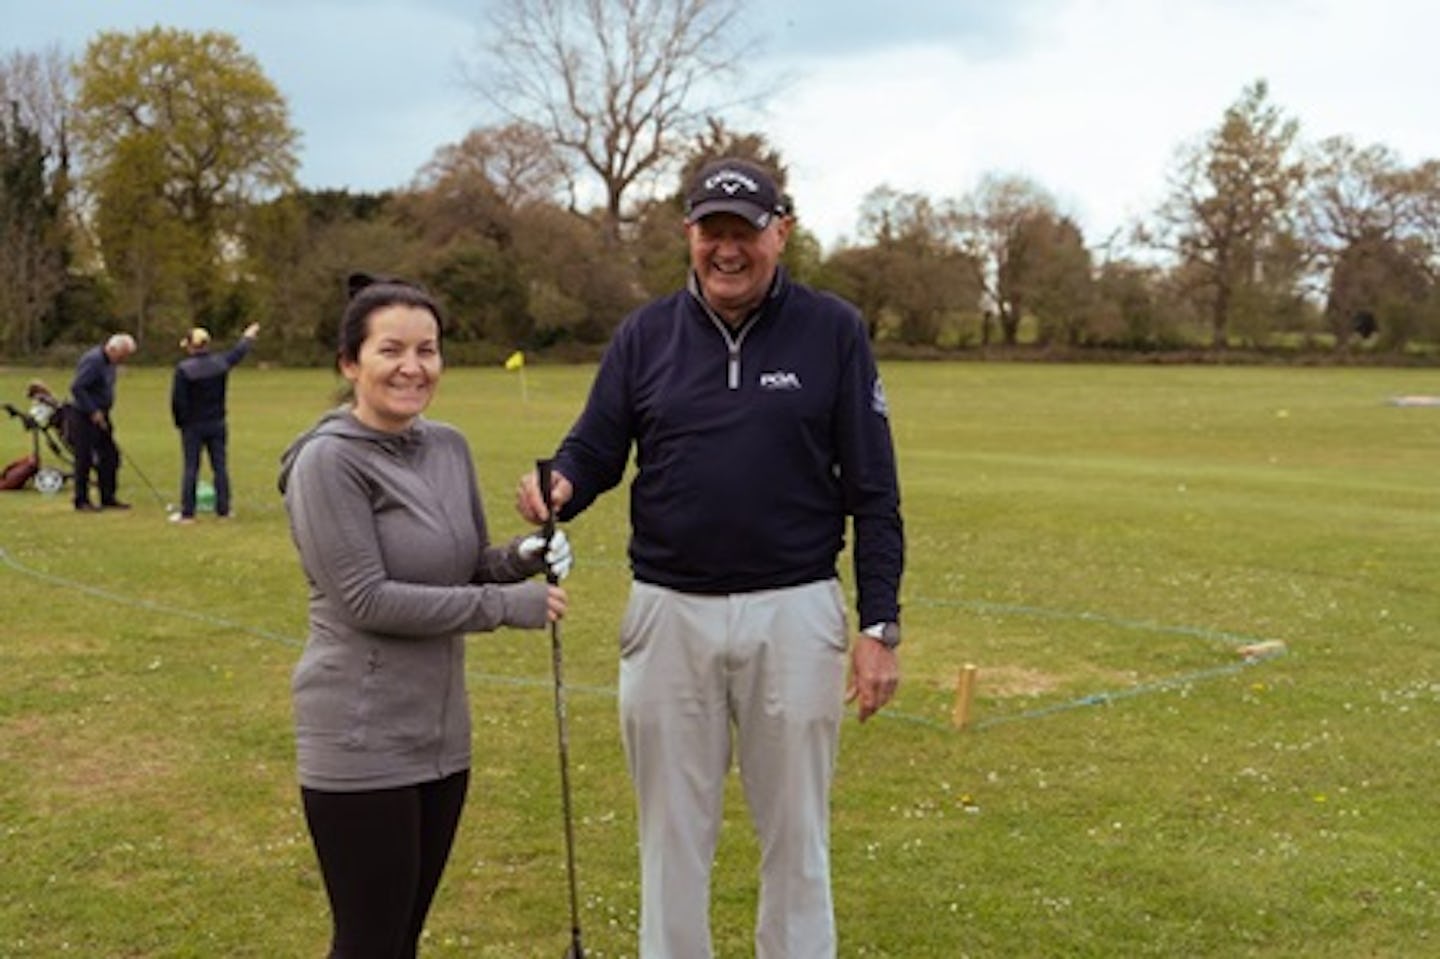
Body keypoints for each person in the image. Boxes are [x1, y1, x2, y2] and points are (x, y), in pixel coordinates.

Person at [516, 157, 906, 959]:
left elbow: (874, 489)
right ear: (689, 236)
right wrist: (558, 482)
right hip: (667, 612)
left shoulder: (833, 330)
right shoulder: (645, 334)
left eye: (745, 231)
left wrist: (880, 626)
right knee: (671, 839)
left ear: (781, 233)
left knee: (797, 839)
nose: (727, 249)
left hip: (795, 610)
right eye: (711, 231)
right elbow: (596, 448)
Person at [278, 273, 573, 959]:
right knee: (369, 942)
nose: (413, 366)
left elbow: (468, 561)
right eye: (391, 350)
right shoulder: (327, 462)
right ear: (350, 362)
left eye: (428, 349)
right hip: (359, 735)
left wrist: (525, 554)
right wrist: (508, 606)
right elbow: (368, 599)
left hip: (442, 736)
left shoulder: (449, 446)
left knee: (401, 937)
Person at [170, 322, 260, 523]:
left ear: (192, 346)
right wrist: (247, 336)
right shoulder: (220, 363)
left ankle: (188, 513)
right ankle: (224, 510)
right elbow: (238, 353)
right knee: (220, 467)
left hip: (193, 425)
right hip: (217, 422)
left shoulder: (184, 370)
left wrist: (180, 422)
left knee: (191, 467)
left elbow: (178, 401)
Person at [68, 332, 137, 511]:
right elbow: (77, 387)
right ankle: (81, 500)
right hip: (84, 416)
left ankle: (108, 497)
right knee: (84, 458)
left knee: (110, 456)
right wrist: (93, 410)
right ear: (114, 349)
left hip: (102, 415)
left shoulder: (110, 363)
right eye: (123, 356)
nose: (123, 360)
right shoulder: (94, 361)